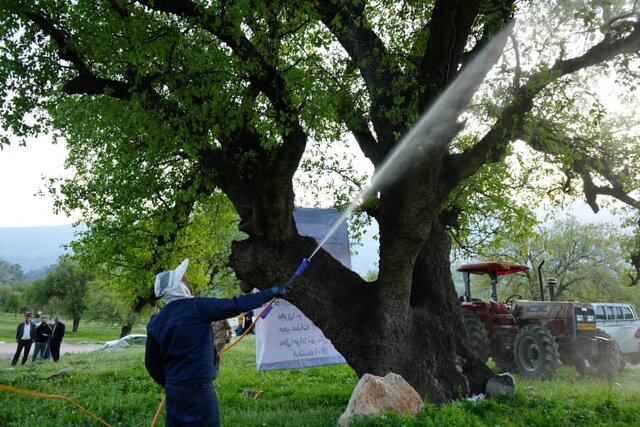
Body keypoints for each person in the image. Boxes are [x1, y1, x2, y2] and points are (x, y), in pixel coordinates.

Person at [144, 259, 295, 427]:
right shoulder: (196, 307)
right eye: (183, 280)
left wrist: (169, 382)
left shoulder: (156, 321)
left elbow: (151, 363)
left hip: (174, 389)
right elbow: (235, 305)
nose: (187, 282)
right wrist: (272, 292)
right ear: (177, 287)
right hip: (199, 389)